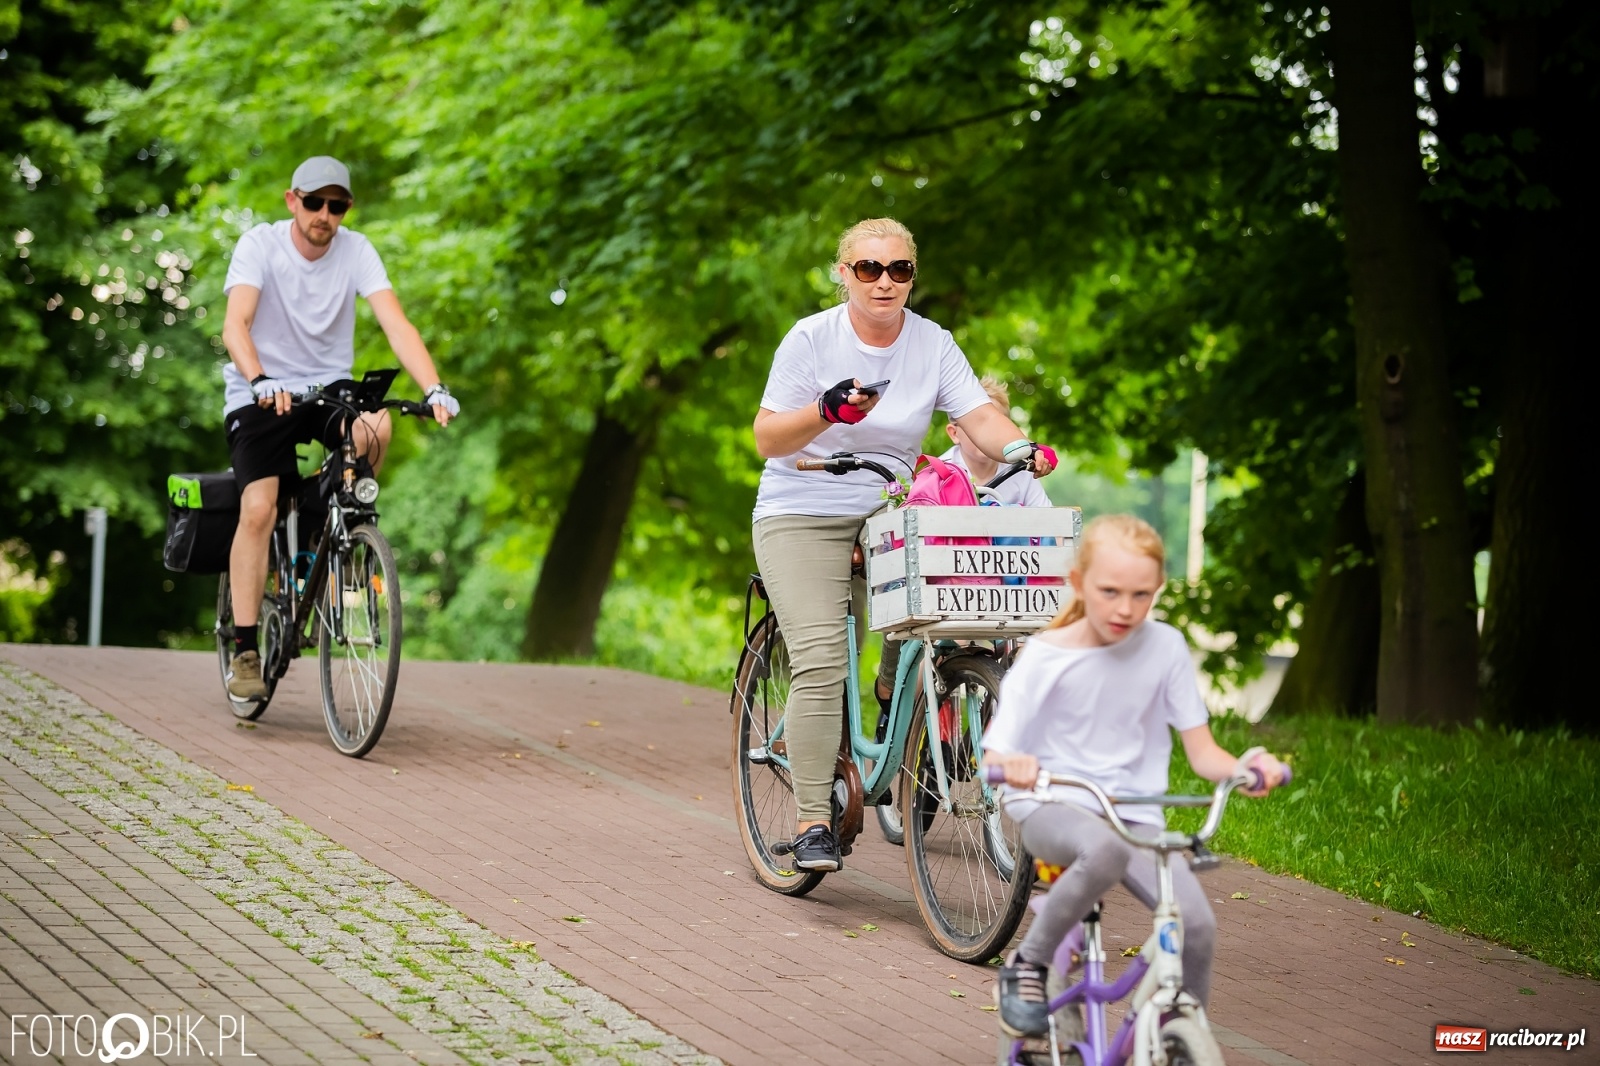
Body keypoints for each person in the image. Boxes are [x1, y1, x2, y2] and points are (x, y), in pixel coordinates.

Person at [751, 216, 1056, 872]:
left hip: (892, 508)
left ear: (913, 276)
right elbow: (769, 439)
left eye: (899, 270)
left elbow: (978, 413)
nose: (884, 281)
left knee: (935, 611)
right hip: (802, 509)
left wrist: (1020, 449)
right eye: (868, 269)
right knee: (824, 659)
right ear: (844, 274)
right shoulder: (811, 339)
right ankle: (811, 820)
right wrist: (826, 412)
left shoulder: (932, 343)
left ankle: (896, 702)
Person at [980, 514, 1288, 1038]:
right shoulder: (1047, 656)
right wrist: (1013, 762)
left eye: (1142, 595)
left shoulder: (1164, 647)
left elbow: (1203, 752)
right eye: (1110, 591)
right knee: (1104, 850)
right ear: (1078, 583)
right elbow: (998, 748)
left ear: (1157, 591)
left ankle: (1177, 1034)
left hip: (1133, 812)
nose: (1126, 609)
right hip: (1054, 803)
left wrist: (1244, 770)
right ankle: (1028, 964)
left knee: (1197, 926)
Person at [219, 155, 459, 699]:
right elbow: (236, 324)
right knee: (258, 508)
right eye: (314, 202)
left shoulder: (357, 251)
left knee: (376, 425)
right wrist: (258, 378)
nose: (325, 215)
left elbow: (396, 323)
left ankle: (339, 528)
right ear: (292, 201)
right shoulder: (260, 245)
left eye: (337, 205)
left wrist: (434, 387)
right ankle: (246, 650)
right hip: (263, 390)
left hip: (328, 387)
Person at [940, 376, 1052, 508]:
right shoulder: (939, 473)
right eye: (976, 425)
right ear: (954, 433)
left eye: (996, 427)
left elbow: (1045, 518)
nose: (987, 435)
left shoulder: (1022, 470)